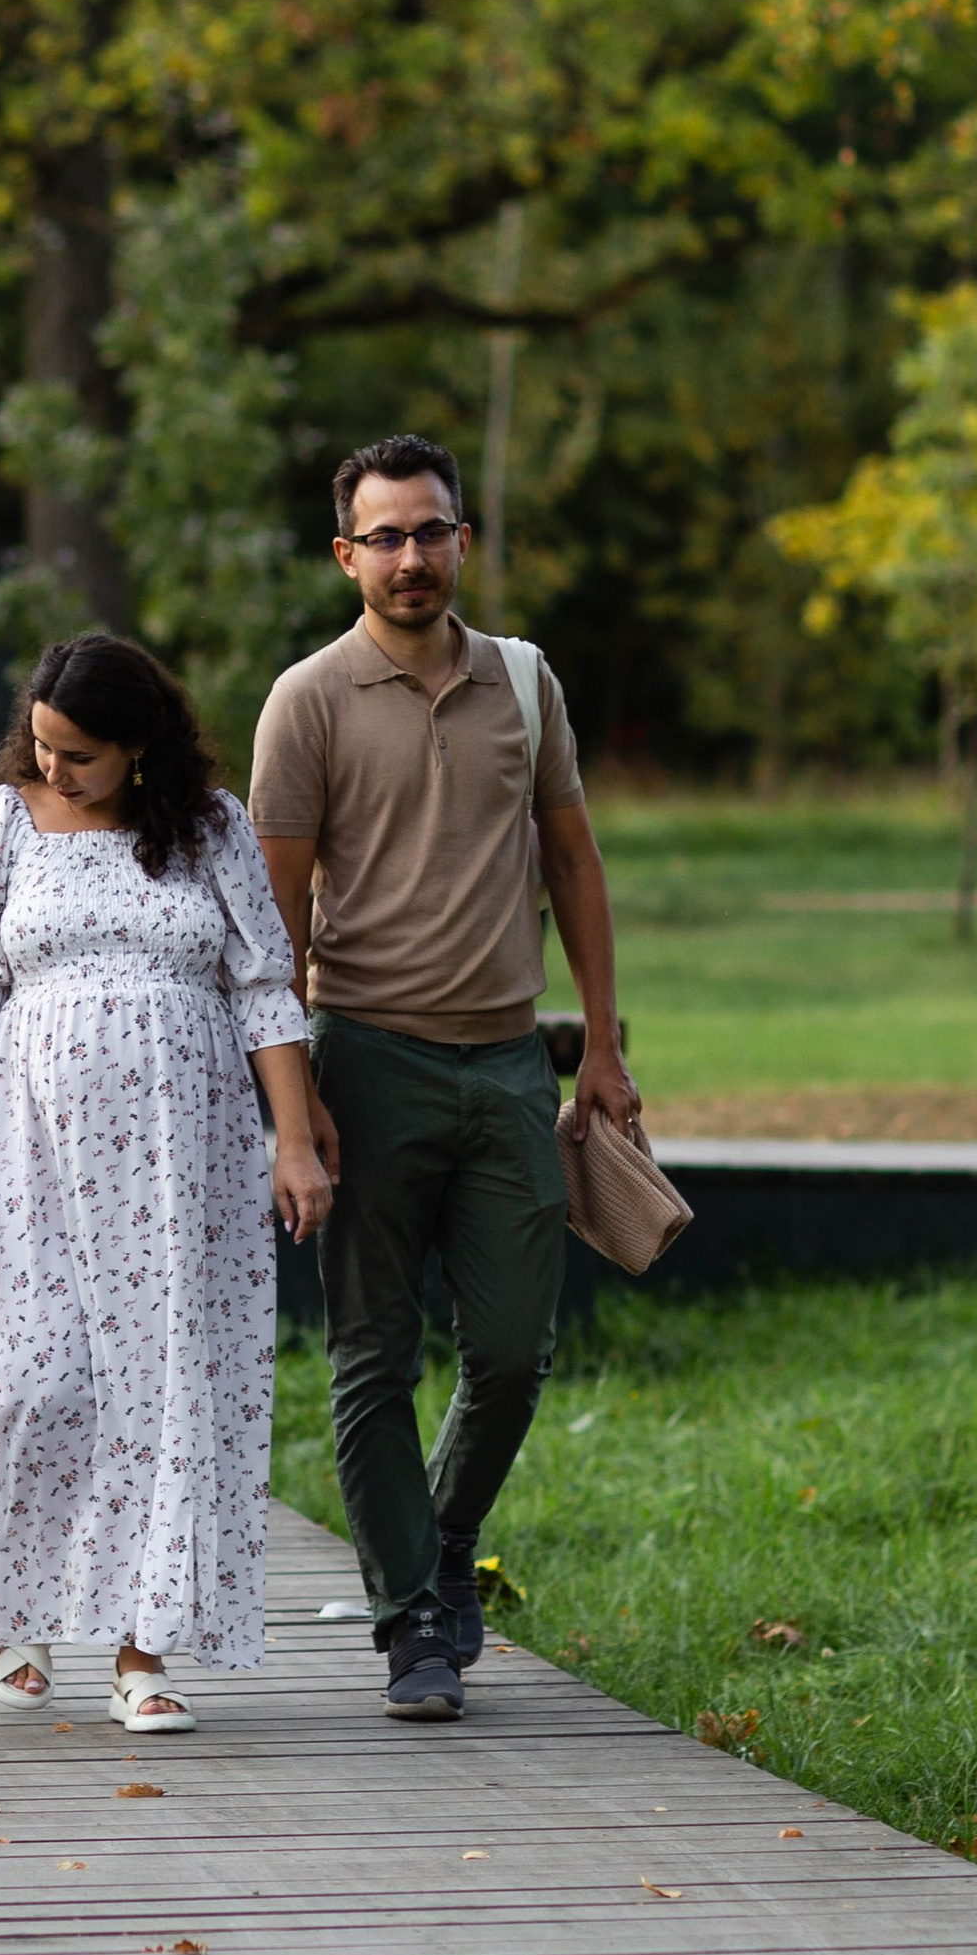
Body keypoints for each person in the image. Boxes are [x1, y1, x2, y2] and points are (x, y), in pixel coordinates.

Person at [249, 432, 639, 1723]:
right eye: (386, 536)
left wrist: (604, 1048)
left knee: (515, 1353)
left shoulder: (523, 684)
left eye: (432, 531)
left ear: (463, 540)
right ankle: (411, 1614)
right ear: (345, 554)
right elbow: (274, 923)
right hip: (366, 1056)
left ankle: (439, 1554)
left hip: (514, 1063)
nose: (411, 557)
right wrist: (292, 1116)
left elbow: (572, 863)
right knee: (372, 1351)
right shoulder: (307, 699)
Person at [0, 631, 334, 1733]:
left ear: (139, 747)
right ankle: (14, 1602)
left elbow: (264, 991)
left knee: (171, 1388)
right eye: (42, 745)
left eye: (80, 753)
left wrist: (294, 1140)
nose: (55, 768)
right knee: (32, 1377)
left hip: (182, 1153)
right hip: (29, 1145)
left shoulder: (209, 830)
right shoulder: (5, 822)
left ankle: (142, 1654)